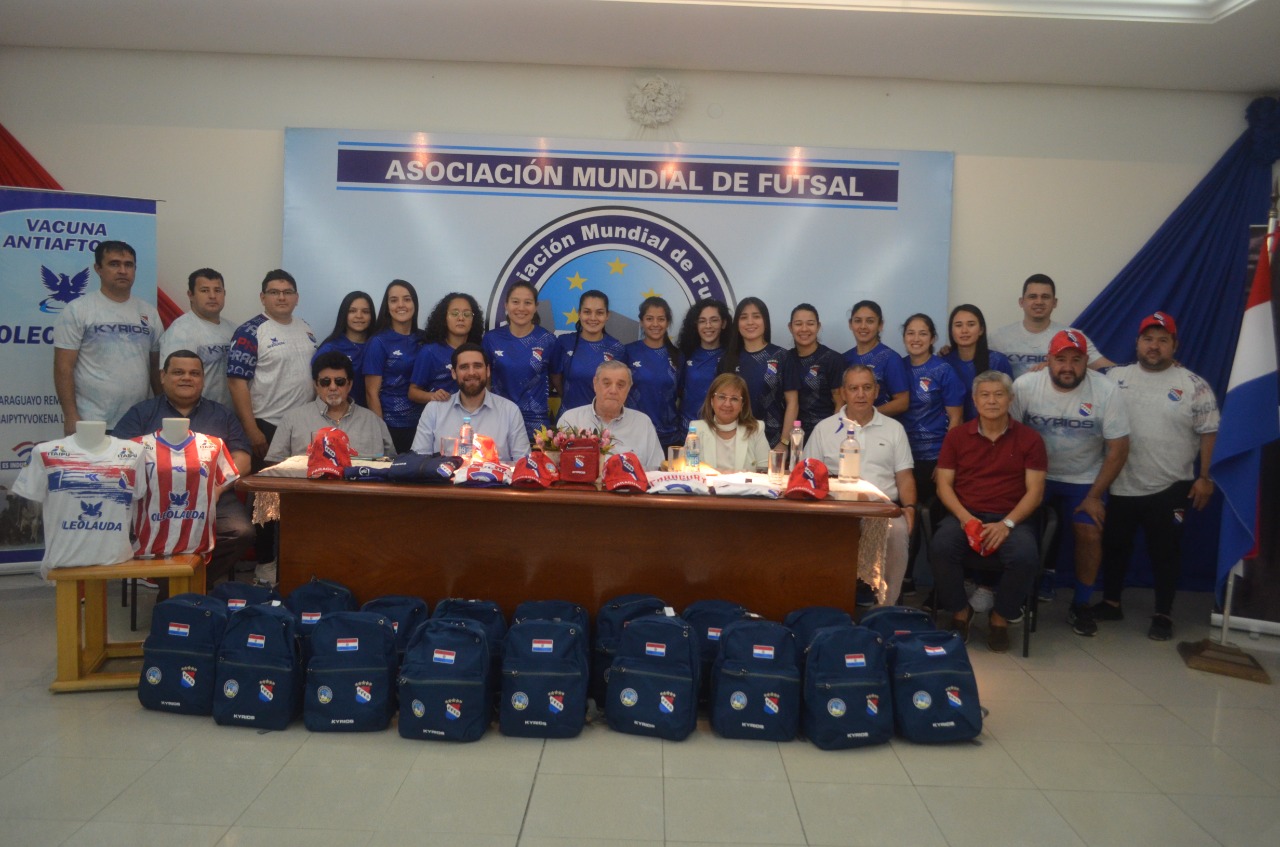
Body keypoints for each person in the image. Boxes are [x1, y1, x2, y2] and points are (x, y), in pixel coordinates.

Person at [1096, 312, 1219, 641]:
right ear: (1136, 343)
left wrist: (1205, 477)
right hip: (1121, 482)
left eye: (1162, 340)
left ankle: (1163, 614)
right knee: (1115, 545)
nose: (1154, 346)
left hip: (1172, 485)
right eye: (1148, 339)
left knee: (1165, 551)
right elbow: (1080, 375)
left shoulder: (1193, 385)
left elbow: (1209, 432)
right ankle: (1111, 603)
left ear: (1174, 345)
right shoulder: (1115, 377)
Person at [1011, 329, 1129, 636]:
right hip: (1036, 476)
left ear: (1086, 362)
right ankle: (1019, 595)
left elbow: (1119, 448)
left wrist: (1095, 495)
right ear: (1048, 359)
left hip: (1084, 478)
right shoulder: (1025, 386)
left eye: (1076, 360)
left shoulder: (1106, 390)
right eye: (1060, 359)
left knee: (1089, 531)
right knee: (1019, 530)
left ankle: (1081, 604)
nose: (1067, 366)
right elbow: (1009, 437)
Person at [114, 350, 254, 586]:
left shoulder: (221, 415)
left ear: (203, 379)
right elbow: (118, 456)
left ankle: (187, 586)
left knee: (241, 532)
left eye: (194, 373)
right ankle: (178, 589)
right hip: (152, 501)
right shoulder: (141, 413)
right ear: (162, 376)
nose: (186, 378)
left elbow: (243, 458)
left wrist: (215, 490)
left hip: (213, 496)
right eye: (178, 372)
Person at [931, 370, 1048, 653]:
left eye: (998, 394)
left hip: (1012, 519)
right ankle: (961, 613)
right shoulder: (958, 437)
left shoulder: (1030, 440)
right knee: (941, 547)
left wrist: (1007, 524)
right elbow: (944, 485)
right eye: (985, 395)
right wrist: (965, 517)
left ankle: (1000, 617)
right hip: (966, 514)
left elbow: (1035, 491)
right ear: (974, 400)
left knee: (1024, 556)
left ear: (1010, 399)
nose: (992, 401)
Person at [227, 269, 317, 585]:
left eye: (287, 291)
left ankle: (294, 563)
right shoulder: (250, 332)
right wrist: (251, 430)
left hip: (303, 427)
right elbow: (237, 382)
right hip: (267, 425)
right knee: (268, 502)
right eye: (274, 291)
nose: (281, 297)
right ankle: (266, 566)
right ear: (263, 296)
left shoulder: (305, 329)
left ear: (296, 297)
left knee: (298, 501)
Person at [803, 365, 916, 605]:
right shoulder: (825, 429)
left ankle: (885, 606)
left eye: (866, 388)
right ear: (843, 393)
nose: (860, 394)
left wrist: (910, 507)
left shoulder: (894, 429)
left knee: (897, 531)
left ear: (876, 391)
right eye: (853, 389)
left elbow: (904, 476)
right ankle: (827, 605)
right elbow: (807, 474)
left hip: (881, 509)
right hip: (836, 509)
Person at [53, 240, 162, 434]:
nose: (122, 270)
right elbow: (63, 368)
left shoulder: (149, 313)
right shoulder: (78, 310)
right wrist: (70, 416)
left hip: (139, 421)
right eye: (114, 264)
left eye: (128, 265)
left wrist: (162, 412)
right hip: (91, 422)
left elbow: (157, 368)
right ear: (98, 269)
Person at [899, 314, 964, 593]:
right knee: (905, 521)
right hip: (902, 458)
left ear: (933, 338)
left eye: (923, 333)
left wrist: (946, 462)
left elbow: (956, 418)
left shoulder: (943, 370)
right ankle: (905, 579)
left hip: (935, 458)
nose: (916, 339)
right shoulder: (898, 367)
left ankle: (941, 589)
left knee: (936, 525)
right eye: (911, 333)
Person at [266, 351, 396, 462]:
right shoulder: (292, 419)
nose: (333, 387)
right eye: (325, 382)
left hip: (359, 490)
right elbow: (274, 463)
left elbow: (390, 463)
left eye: (340, 382)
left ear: (349, 384)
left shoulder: (373, 421)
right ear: (316, 385)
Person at [410, 343, 530, 462]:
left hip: (494, 480)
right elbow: (418, 461)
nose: (471, 373)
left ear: (487, 371)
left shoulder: (510, 411)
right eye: (464, 367)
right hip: (445, 481)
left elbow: (524, 464)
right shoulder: (434, 410)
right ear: (453, 373)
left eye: (477, 366)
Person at [990, 273, 1113, 379]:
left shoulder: (1073, 337)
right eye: (1033, 297)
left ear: (1054, 303)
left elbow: (1107, 369)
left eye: (1045, 297)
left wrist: (1130, 373)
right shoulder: (998, 338)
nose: (1039, 302)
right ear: (1021, 302)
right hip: (1011, 404)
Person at [484, 281, 562, 440]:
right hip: (498, 418)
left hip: (536, 422)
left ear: (535, 306)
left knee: (536, 464)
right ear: (506, 305)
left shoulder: (548, 340)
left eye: (527, 303)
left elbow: (556, 379)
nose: (521, 308)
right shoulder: (491, 339)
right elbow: (485, 380)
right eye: (515, 302)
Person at [719, 297, 799, 447]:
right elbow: (720, 403)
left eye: (756, 316)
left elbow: (792, 403)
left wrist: (784, 442)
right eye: (744, 317)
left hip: (773, 441)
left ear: (765, 321)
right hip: (734, 441)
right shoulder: (728, 359)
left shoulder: (782, 356)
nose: (750, 322)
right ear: (737, 324)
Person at [558, 360, 663, 470]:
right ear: (595, 384)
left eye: (620, 385)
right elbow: (556, 469)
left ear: (629, 388)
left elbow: (655, 471)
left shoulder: (643, 423)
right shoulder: (570, 419)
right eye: (607, 383)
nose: (613, 391)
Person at [159, 268, 235, 407]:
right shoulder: (180, 331)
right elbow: (172, 383)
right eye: (205, 290)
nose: (212, 296)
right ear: (191, 295)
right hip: (196, 416)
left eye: (217, 290)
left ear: (224, 293)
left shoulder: (234, 330)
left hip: (229, 416)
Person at [365, 280, 425, 453]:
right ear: (387, 306)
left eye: (406, 299)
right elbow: (371, 393)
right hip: (392, 426)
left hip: (424, 425)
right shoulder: (378, 342)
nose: (401, 305)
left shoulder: (424, 338)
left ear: (414, 303)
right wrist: (381, 433)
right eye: (394, 300)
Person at [410, 292, 484, 424]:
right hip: (439, 421)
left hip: (475, 420)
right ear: (444, 318)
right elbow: (413, 392)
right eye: (454, 313)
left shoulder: (478, 351)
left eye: (467, 314)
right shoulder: (429, 351)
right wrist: (432, 396)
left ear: (474, 320)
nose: (461, 318)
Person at [553, 289, 626, 414]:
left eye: (599, 313)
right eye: (587, 312)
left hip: (604, 422)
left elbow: (620, 387)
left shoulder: (617, 348)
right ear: (579, 313)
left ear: (607, 316)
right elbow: (555, 377)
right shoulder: (564, 342)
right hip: (569, 419)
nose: (593, 318)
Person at [624, 296, 682, 447]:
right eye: (649, 319)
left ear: (667, 322)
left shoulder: (678, 356)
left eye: (661, 319)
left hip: (669, 437)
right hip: (633, 435)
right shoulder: (628, 352)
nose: (655, 324)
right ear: (641, 322)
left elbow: (683, 395)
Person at [941, 304, 1013, 421]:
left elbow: (1008, 402)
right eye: (958, 325)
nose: (964, 330)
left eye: (971, 324)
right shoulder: (943, 363)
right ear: (951, 330)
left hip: (990, 429)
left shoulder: (998, 361)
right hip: (952, 430)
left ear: (981, 330)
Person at [688, 373, 770, 473]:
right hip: (708, 488)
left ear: (742, 405)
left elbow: (765, 472)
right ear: (712, 401)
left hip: (745, 488)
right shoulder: (696, 429)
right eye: (722, 397)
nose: (727, 404)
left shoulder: (755, 429)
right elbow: (687, 470)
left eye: (734, 399)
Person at [787, 304, 846, 439]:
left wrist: (831, 435)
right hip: (792, 435)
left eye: (810, 324)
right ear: (790, 327)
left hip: (824, 434)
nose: (804, 329)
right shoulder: (785, 359)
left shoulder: (833, 359)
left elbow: (840, 402)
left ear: (818, 327)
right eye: (798, 324)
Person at [842, 300, 909, 417]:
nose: (863, 326)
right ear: (850, 324)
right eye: (858, 321)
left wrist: (869, 415)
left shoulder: (891, 358)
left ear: (880, 325)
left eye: (870, 321)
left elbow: (902, 402)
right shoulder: (844, 358)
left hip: (881, 428)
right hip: (850, 428)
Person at [676, 299, 731, 433]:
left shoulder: (732, 358)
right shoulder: (685, 355)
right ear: (695, 324)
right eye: (702, 321)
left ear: (723, 323)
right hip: (687, 432)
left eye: (714, 320)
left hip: (721, 432)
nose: (708, 325)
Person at [313, 291, 375, 407]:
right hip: (338, 413)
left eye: (365, 312)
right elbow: (318, 388)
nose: (359, 316)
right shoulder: (330, 349)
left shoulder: (378, 344)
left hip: (373, 414)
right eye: (352, 311)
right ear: (344, 314)